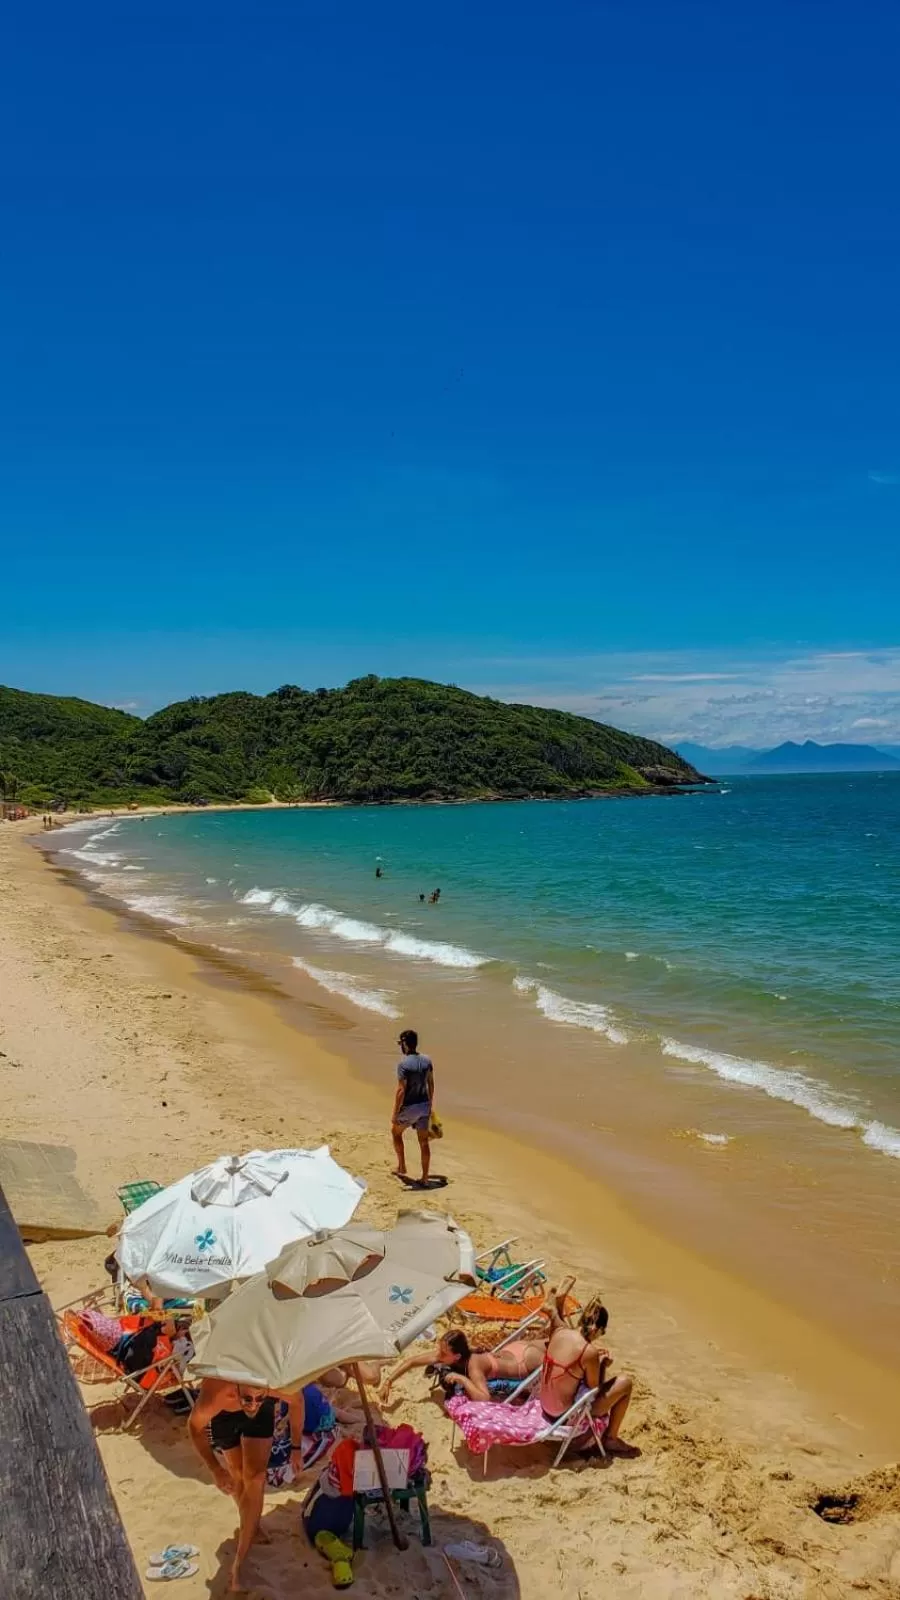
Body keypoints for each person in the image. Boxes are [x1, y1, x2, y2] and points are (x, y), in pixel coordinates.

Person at [189, 1377, 305, 1591]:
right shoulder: (218, 1393)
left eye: (259, 1397)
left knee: (255, 1477)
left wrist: (296, 1449)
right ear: (236, 1389)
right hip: (225, 1416)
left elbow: (298, 1401)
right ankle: (252, 1525)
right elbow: (194, 1427)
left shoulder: (270, 1387)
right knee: (237, 1475)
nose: (252, 1404)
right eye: (248, 1398)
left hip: (260, 1415)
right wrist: (216, 1470)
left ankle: (241, 1562)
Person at [540, 1289, 637, 1457]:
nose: (602, 1335)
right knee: (625, 1383)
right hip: (562, 1416)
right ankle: (611, 1438)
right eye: (602, 1331)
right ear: (596, 1329)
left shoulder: (560, 1332)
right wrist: (602, 1366)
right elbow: (594, 1392)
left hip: (545, 1406)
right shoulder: (588, 1351)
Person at [381, 1325, 548, 1404]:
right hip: (514, 1349)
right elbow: (412, 1361)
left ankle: (557, 1316)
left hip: (525, 1362)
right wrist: (389, 1381)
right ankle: (556, 1316)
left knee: (565, 1351)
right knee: (558, 1340)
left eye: (443, 1353)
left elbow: (484, 1398)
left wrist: (462, 1379)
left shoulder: (474, 1366)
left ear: (457, 1356)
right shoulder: (454, 1355)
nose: (438, 1356)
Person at [391, 1028, 434, 1184]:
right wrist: (430, 1105)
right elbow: (431, 1084)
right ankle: (425, 1178)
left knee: (396, 1132)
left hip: (410, 1107)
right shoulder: (427, 1061)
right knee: (424, 1142)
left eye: (400, 1044)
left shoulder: (403, 1064)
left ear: (405, 1044)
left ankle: (402, 1167)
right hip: (424, 1105)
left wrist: (395, 1113)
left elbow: (401, 1090)